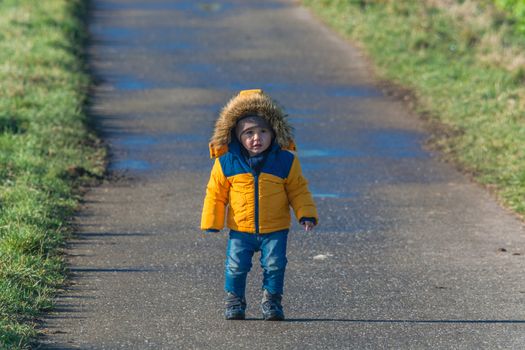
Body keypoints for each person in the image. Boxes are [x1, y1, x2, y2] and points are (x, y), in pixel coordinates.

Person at [201, 89, 318, 321]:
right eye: (249, 133)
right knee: (235, 267)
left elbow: (298, 189)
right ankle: (235, 300)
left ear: (274, 132)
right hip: (240, 230)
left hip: (274, 229)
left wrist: (306, 214)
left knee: (275, 266)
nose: (257, 138)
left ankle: (272, 302)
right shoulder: (226, 162)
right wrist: (212, 221)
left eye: (263, 131)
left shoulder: (285, 161)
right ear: (236, 135)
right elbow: (215, 193)